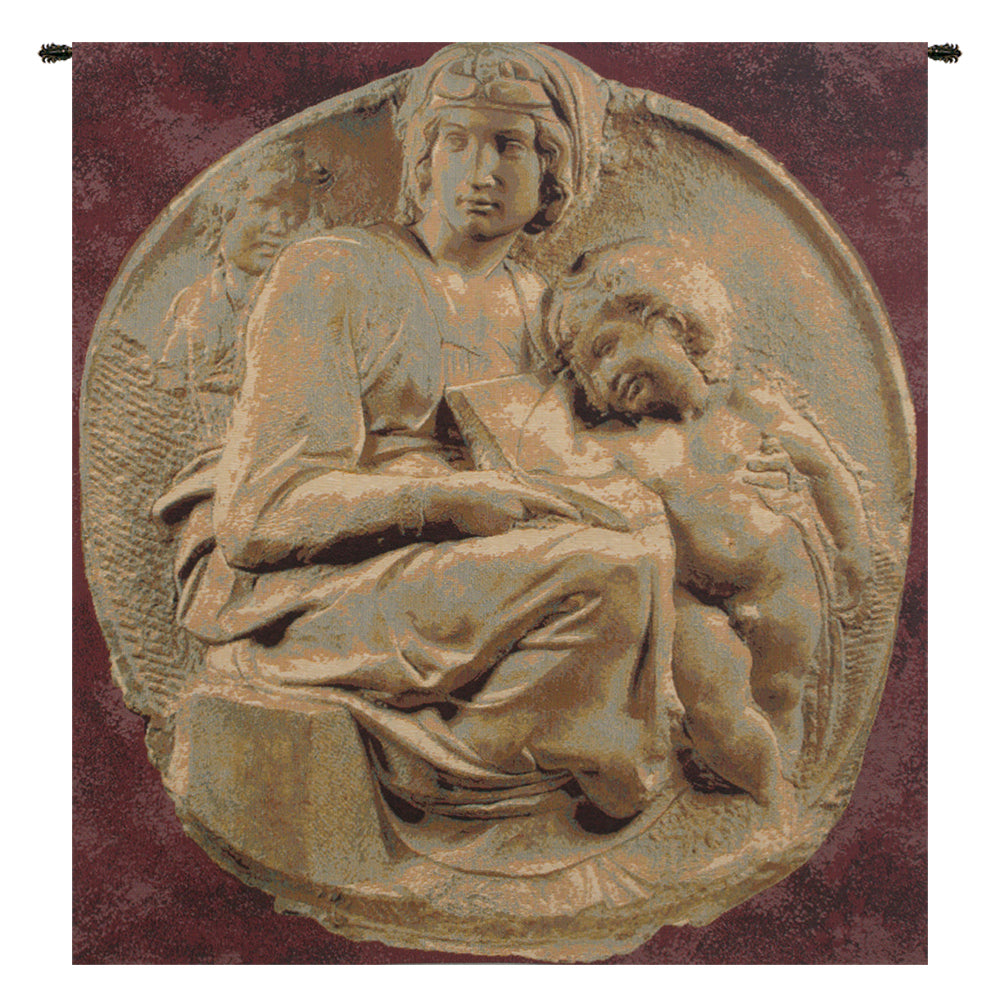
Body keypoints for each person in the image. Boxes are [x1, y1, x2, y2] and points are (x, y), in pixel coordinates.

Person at [155, 45, 678, 827]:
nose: (480, 171)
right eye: (456, 140)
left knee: (655, 546)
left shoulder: (539, 307)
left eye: (509, 145)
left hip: (480, 562)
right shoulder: (333, 274)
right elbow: (259, 514)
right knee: (608, 572)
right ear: (423, 156)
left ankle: (551, 756)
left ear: (554, 172)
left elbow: (579, 459)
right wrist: (446, 500)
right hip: (315, 586)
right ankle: (448, 768)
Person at [546, 239, 872, 808]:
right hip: (688, 596)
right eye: (588, 372)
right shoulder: (619, 444)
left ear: (668, 319)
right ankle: (765, 794)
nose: (603, 377)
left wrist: (853, 555)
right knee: (716, 702)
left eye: (606, 347)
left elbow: (826, 471)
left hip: (780, 577)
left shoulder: (749, 403)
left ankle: (783, 785)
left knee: (781, 692)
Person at [154, 141, 329, 444]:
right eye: (262, 205)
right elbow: (163, 401)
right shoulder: (190, 305)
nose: (278, 225)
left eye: (294, 211)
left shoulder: (312, 308)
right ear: (225, 211)